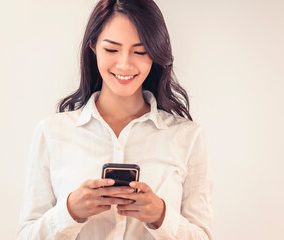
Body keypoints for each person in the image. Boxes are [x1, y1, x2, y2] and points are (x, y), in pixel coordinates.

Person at [16, 0, 214, 239]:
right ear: (93, 46)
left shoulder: (189, 138)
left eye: (140, 51)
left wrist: (161, 216)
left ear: (155, 53)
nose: (124, 64)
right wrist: (70, 211)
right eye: (111, 49)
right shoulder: (52, 133)